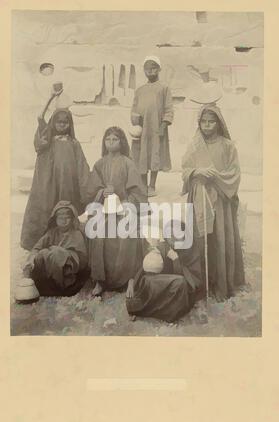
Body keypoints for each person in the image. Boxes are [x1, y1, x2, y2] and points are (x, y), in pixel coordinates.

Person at [181, 104, 245, 301]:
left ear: (219, 123)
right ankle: (201, 284)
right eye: (203, 122)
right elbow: (185, 169)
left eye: (211, 121)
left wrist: (215, 177)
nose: (207, 126)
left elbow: (234, 173)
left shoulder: (228, 146)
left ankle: (221, 284)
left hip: (220, 201)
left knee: (219, 239)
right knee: (201, 240)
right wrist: (196, 172)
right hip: (199, 196)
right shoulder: (194, 145)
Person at [20, 91, 90, 251]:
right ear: (53, 123)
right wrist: (51, 96)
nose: (62, 125)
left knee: (64, 214)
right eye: (58, 122)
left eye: (66, 122)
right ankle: (41, 242)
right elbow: (40, 116)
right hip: (47, 186)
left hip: (67, 186)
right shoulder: (46, 141)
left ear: (70, 124)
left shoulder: (74, 143)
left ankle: (65, 242)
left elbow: (82, 166)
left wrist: (87, 187)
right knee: (46, 212)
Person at [85, 126, 148, 298]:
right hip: (104, 210)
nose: (111, 142)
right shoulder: (99, 164)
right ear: (104, 143)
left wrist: (126, 202)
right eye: (108, 139)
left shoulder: (128, 163)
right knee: (98, 234)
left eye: (115, 139)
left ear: (122, 142)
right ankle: (100, 280)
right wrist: (101, 193)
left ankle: (129, 279)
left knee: (126, 236)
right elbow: (91, 191)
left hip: (124, 209)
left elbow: (138, 191)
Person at [126, 220, 202, 322]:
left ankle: (157, 311)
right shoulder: (164, 247)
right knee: (148, 282)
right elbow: (145, 269)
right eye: (170, 236)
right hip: (163, 284)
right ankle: (142, 308)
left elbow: (193, 279)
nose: (172, 240)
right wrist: (131, 282)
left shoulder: (191, 250)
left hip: (178, 286)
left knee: (180, 284)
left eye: (176, 235)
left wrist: (175, 259)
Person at [22, 200, 89, 296]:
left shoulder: (76, 234)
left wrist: (63, 255)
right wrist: (31, 259)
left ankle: (61, 285)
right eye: (60, 218)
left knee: (55, 253)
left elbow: (83, 261)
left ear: (72, 219)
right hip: (50, 270)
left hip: (68, 273)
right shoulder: (52, 233)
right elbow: (36, 248)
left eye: (67, 218)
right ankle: (47, 283)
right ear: (55, 219)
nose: (63, 221)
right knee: (42, 253)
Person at [130, 56, 174, 197]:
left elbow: (169, 109)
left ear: (159, 69)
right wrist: (135, 121)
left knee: (155, 154)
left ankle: (152, 185)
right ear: (144, 71)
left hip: (156, 128)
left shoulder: (164, 88)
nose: (150, 71)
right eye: (147, 69)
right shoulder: (140, 90)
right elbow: (134, 108)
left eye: (153, 67)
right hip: (142, 129)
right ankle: (143, 185)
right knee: (142, 155)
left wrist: (163, 125)